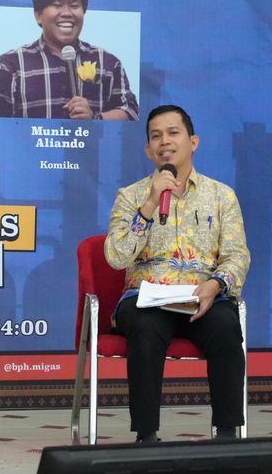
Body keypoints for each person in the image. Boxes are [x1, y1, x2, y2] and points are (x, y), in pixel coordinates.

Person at [104, 104, 249, 442]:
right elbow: (116, 256)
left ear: (193, 141)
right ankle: (146, 435)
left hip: (202, 297)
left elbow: (237, 255)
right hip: (147, 297)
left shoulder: (221, 196)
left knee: (227, 327)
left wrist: (215, 285)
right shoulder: (131, 196)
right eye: (156, 136)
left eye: (173, 133)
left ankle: (227, 435)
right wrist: (150, 204)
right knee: (145, 328)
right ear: (148, 149)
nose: (164, 142)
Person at [0, 0, 138, 119]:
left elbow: (131, 113)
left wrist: (96, 120)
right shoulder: (12, 64)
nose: (67, 13)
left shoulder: (107, 62)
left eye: (75, 6)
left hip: (89, 150)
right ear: (38, 15)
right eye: (57, 5)